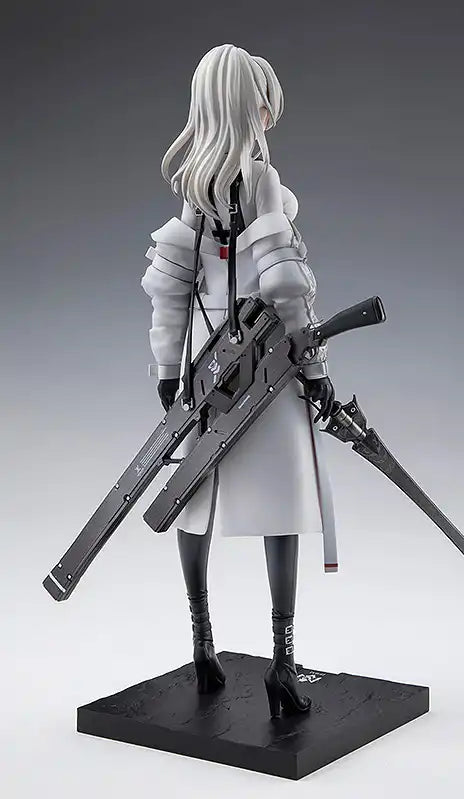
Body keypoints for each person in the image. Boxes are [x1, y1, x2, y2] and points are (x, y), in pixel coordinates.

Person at [141, 44, 337, 718]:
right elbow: (283, 281)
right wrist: (315, 365)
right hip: (266, 363)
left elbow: (171, 290)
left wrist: (171, 369)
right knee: (280, 504)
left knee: (193, 498)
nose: (267, 113)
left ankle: (203, 646)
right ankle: (281, 663)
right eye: (261, 100)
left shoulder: (194, 191)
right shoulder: (260, 180)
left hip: (208, 364)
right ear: (244, 105)